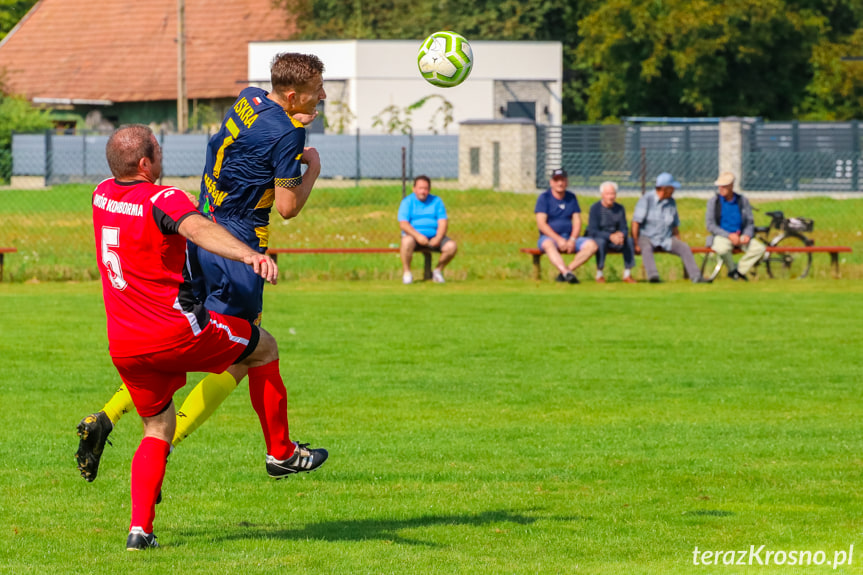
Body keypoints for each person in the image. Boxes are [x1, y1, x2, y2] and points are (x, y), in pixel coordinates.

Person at [76, 52, 326, 483]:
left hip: (201, 232)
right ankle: (176, 445)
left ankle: (108, 415)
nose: (322, 95)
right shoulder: (289, 134)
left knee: (184, 339)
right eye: (316, 90)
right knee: (242, 355)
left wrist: (290, 129)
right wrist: (313, 169)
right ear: (291, 95)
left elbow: (246, 146)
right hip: (238, 246)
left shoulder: (249, 99)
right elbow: (286, 207)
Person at [91, 125, 327, 550]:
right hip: (176, 331)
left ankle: (139, 531)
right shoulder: (163, 199)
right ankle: (281, 453)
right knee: (263, 346)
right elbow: (198, 229)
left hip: (124, 345)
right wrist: (250, 254)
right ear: (145, 164)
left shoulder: (101, 193)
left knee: (158, 428)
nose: (162, 154)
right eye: (157, 149)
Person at [631, 172, 709, 283]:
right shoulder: (646, 200)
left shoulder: (671, 202)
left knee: (684, 247)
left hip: (666, 238)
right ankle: (653, 277)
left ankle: (696, 276)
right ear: (664, 189)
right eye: (672, 188)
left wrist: (677, 239)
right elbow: (635, 223)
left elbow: (674, 224)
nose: (674, 190)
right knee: (646, 248)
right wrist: (636, 242)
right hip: (647, 236)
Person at [534, 169, 598, 283]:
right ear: (551, 182)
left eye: (562, 180)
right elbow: (541, 224)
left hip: (569, 237)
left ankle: (566, 272)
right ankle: (566, 272)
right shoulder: (544, 198)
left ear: (567, 182)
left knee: (592, 245)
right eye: (557, 180)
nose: (560, 183)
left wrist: (572, 240)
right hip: (550, 238)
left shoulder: (571, 198)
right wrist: (558, 240)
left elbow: (577, 221)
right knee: (548, 244)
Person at [705, 172, 766, 281]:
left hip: (741, 236)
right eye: (720, 186)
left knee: (759, 248)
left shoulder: (742, 201)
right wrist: (729, 236)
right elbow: (710, 225)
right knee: (722, 249)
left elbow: (749, 222)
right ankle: (732, 270)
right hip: (722, 236)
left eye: (724, 186)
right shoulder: (714, 202)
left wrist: (747, 234)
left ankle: (739, 271)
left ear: (731, 186)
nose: (721, 189)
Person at [398, 175, 457, 284]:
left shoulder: (437, 201)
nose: (423, 191)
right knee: (406, 242)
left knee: (451, 246)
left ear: (429, 190)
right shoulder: (407, 202)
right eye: (420, 188)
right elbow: (404, 224)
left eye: (425, 189)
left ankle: (438, 271)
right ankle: (407, 273)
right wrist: (418, 236)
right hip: (414, 238)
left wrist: (438, 238)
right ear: (414, 189)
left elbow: (443, 222)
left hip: (434, 237)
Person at [586, 181, 636, 284]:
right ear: (602, 195)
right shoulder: (595, 208)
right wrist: (610, 236)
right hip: (601, 237)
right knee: (601, 242)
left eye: (613, 194)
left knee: (629, 241)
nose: (611, 197)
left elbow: (624, 228)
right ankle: (599, 274)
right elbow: (593, 230)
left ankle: (627, 274)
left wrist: (621, 235)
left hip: (616, 239)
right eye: (608, 194)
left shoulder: (620, 209)